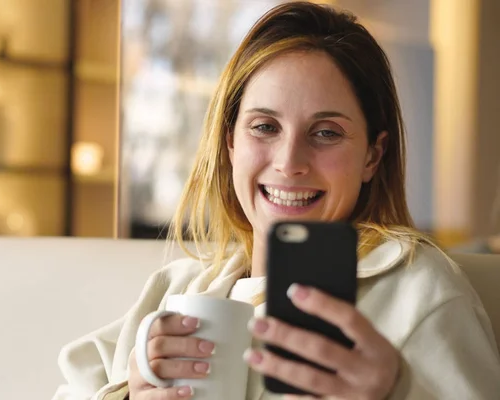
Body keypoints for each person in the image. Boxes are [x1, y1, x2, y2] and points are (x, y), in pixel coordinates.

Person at [53, 2, 500, 399]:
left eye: (326, 133)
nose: (290, 162)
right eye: (265, 127)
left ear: (372, 156)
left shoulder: (419, 292)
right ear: (230, 144)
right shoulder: (178, 290)